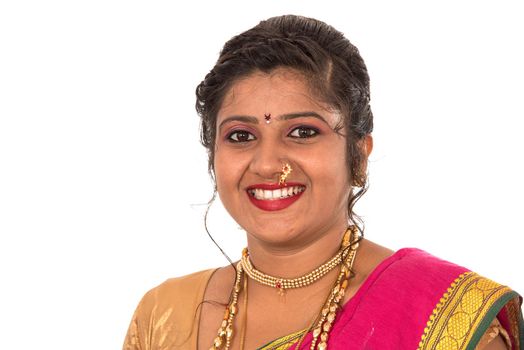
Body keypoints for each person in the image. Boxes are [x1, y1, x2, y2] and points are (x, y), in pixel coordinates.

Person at [123, 15, 523, 349]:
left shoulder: (442, 317)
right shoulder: (165, 316)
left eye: (302, 132)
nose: (267, 164)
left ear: (358, 155)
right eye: (240, 136)